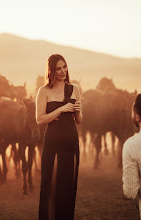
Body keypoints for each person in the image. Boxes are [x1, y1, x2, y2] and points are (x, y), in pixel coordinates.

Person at [36, 54, 83, 220]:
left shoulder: (74, 89)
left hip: (71, 142)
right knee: (50, 185)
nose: (63, 71)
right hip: (53, 142)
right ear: (51, 71)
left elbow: (78, 120)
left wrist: (78, 109)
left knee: (67, 187)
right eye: (58, 68)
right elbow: (40, 119)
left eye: (65, 67)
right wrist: (60, 110)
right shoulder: (44, 91)